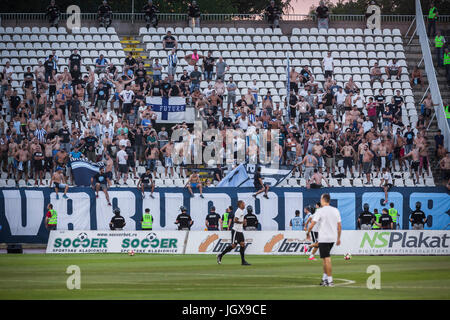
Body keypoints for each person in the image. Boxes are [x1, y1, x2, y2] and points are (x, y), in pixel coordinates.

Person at [306, 193, 341, 287]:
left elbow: (312, 224)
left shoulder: (320, 211)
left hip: (324, 238)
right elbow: (339, 226)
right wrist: (338, 238)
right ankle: (324, 279)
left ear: (323, 200)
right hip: (332, 238)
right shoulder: (335, 210)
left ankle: (330, 281)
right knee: (325, 258)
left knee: (327, 259)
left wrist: (308, 233)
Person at [217, 200, 251, 266]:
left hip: (240, 231)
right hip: (236, 231)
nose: (244, 205)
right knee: (233, 245)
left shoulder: (241, 211)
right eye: (243, 204)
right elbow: (235, 220)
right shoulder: (238, 211)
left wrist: (243, 222)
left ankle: (243, 261)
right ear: (240, 205)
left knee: (242, 244)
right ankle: (220, 255)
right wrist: (242, 222)